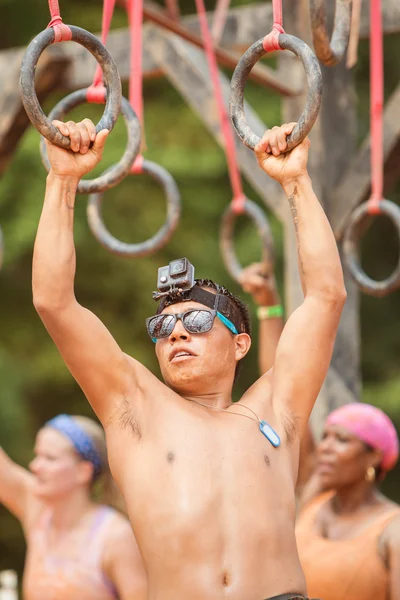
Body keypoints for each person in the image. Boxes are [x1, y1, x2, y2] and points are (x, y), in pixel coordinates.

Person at [32, 118, 346, 600]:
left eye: (197, 323)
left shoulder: (276, 407)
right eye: (162, 327)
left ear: (240, 345)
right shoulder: (133, 405)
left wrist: (296, 182)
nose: (176, 331)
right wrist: (62, 180)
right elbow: (54, 301)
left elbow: (326, 296)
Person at [0, 414, 147, 600]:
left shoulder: (115, 538)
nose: (35, 466)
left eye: (50, 458)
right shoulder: (39, 511)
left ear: (83, 472)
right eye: (37, 455)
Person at [295, 402, 400, 600]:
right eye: (325, 437)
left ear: (374, 457)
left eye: (341, 440)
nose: (325, 447)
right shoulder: (311, 504)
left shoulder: (392, 529)